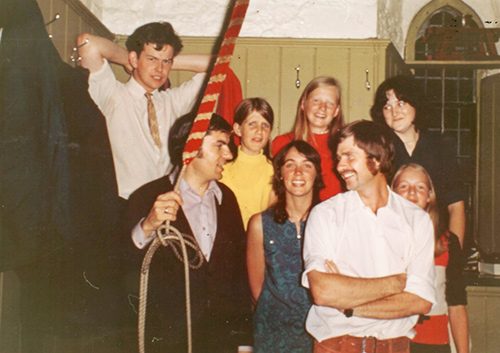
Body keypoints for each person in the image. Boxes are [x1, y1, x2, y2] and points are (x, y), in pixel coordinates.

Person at [302, 120, 436, 353]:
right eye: (338, 158)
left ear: (376, 159)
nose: (339, 166)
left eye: (349, 156)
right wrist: (397, 282)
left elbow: (420, 301)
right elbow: (323, 292)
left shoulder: (416, 219)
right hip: (337, 347)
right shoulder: (325, 214)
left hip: (395, 347)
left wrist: (348, 306)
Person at [124, 113, 252, 353]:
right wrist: (148, 226)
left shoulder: (228, 200)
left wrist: (244, 342)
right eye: (219, 145)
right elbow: (122, 271)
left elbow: (239, 279)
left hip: (219, 341)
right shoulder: (146, 198)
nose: (229, 154)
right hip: (167, 341)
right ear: (191, 147)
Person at [77, 22, 211, 199]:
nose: (159, 69)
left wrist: (164, 59)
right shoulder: (113, 95)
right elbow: (86, 42)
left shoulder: (172, 101)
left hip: (163, 207)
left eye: (166, 62)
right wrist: (130, 61)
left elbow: (218, 63)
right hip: (122, 205)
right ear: (134, 59)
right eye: (151, 59)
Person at [370, 75, 466, 247]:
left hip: (436, 240)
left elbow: (456, 204)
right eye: (387, 107)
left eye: (401, 103)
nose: (394, 112)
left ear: (416, 104)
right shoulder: (377, 149)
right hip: (391, 243)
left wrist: (453, 250)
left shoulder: (441, 145)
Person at [247, 140, 325, 353]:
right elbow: (256, 290)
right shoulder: (259, 224)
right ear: (280, 174)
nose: (298, 172)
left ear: (316, 173)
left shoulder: (331, 221)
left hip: (320, 333)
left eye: (307, 165)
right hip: (272, 334)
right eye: (290, 165)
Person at [392, 163, 469, 353]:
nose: (411, 193)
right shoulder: (379, 240)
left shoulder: (448, 243)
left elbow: (457, 306)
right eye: (403, 186)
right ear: (392, 193)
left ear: (429, 196)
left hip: (433, 344)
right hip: (390, 342)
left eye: (419, 187)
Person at [272, 76, 345, 201]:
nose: (322, 108)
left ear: (337, 110)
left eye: (330, 103)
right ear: (303, 104)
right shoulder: (282, 143)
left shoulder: (344, 147)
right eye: (316, 101)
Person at [220, 97, 276, 229]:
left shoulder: (274, 170)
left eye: (265, 125)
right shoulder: (223, 168)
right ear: (238, 129)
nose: (259, 130)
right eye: (252, 124)